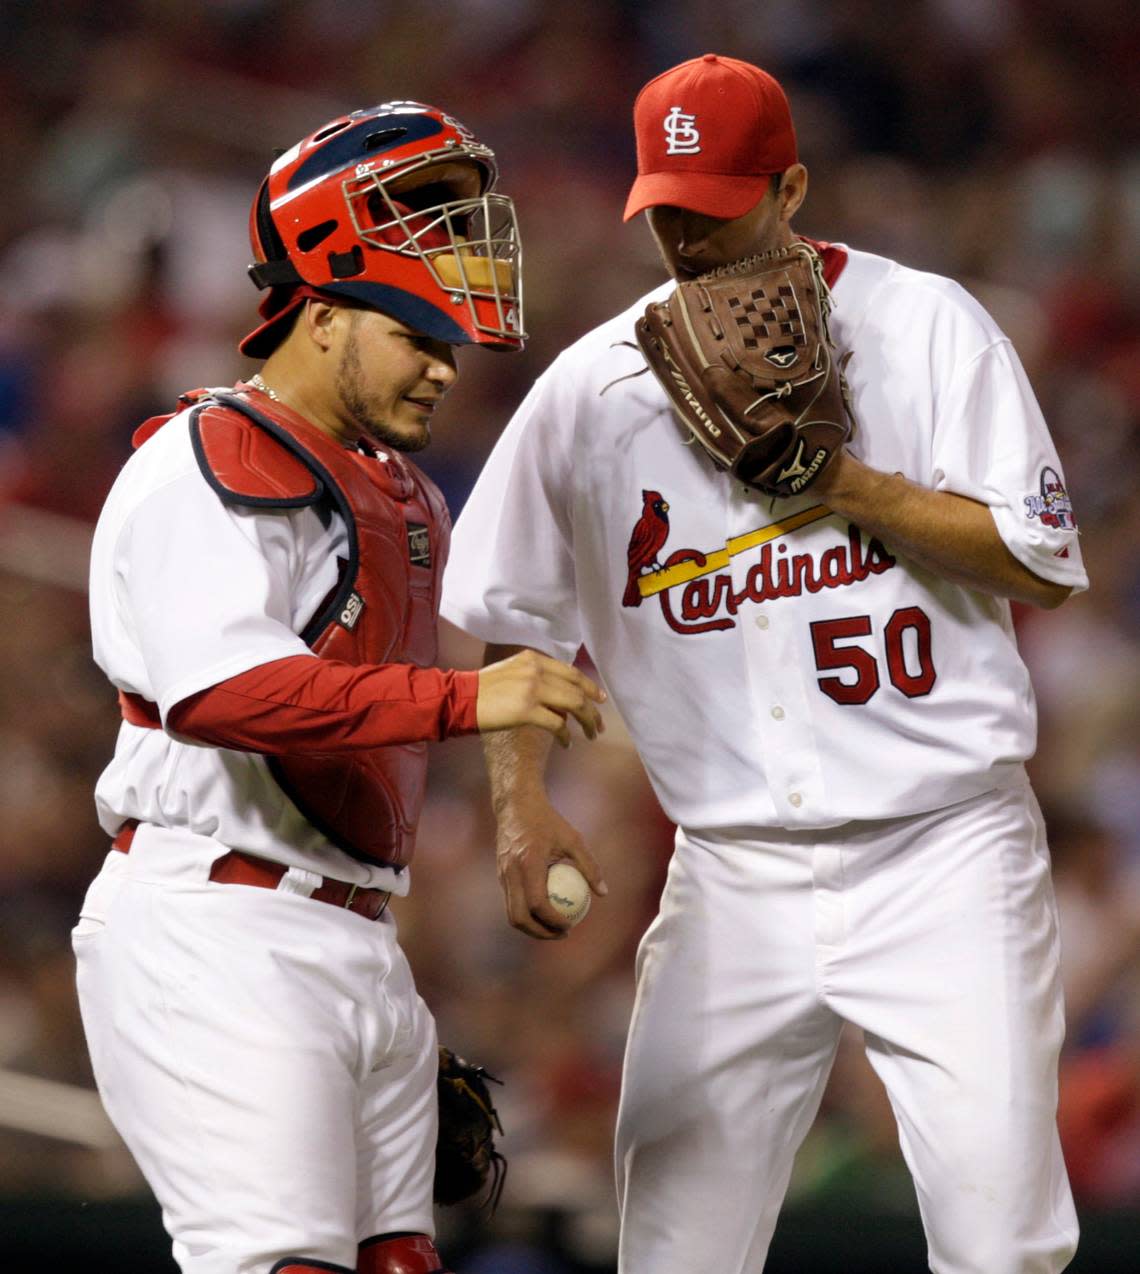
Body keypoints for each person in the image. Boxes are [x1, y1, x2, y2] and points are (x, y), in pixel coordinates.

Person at [441, 54, 1087, 1274]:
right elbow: (513, 609)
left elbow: (1042, 559)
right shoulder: (592, 390)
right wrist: (521, 805)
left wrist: (842, 482)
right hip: (732, 873)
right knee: (673, 1249)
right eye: (665, 206)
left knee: (1005, 1243)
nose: (684, 232)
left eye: (716, 200)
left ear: (789, 187)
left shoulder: (927, 325)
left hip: (941, 849)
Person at [73, 100, 605, 1274]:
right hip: (214, 922)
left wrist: (521, 801)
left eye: (451, 343)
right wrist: (471, 701)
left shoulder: (403, 493)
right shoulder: (204, 460)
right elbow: (228, 693)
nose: (440, 365)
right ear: (316, 317)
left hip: (354, 931)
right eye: (415, 332)